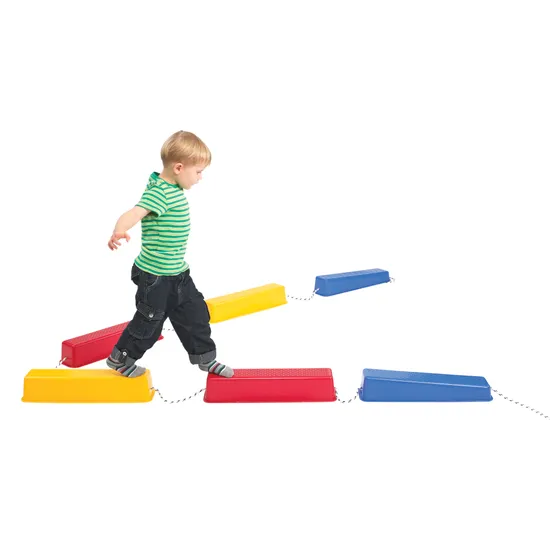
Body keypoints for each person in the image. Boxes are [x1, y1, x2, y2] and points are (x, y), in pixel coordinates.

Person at [105, 130, 233, 379]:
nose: (200, 178)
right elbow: (135, 212)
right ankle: (120, 359)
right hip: (156, 277)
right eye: (198, 172)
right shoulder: (160, 192)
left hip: (177, 272)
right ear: (178, 168)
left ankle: (205, 358)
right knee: (150, 322)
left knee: (195, 314)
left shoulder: (172, 187)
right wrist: (119, 230)